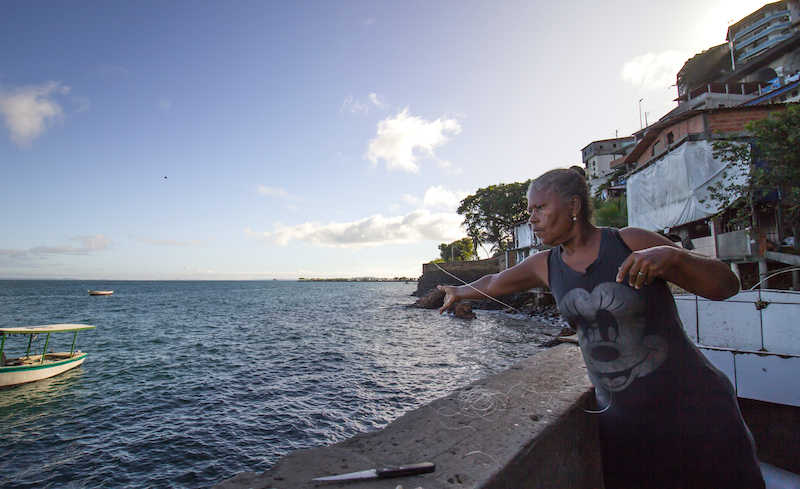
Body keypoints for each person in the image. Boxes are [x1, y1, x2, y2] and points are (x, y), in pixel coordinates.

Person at [438, 167, 765, 488]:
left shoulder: (629, 241)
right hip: (626, 428)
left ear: (573, 206)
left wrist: (673, 257)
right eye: (529, 210)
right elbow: (495, 281)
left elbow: (725, 286)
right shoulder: (545, 265)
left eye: (540, 208)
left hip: (697, 412)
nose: (532, 218)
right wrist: (458, 291)